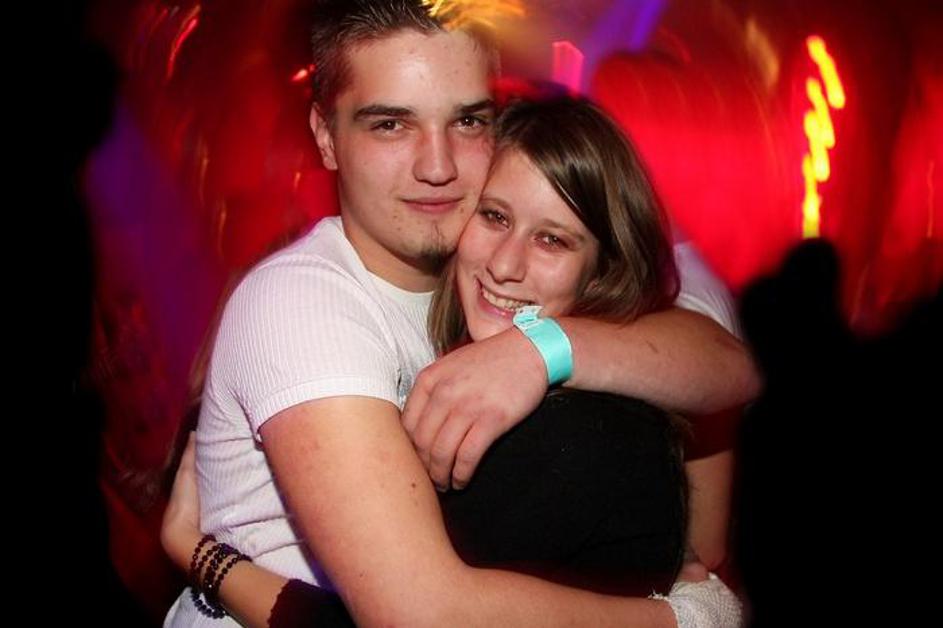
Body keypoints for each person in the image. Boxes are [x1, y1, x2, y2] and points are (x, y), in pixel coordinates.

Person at [164, 1, 756, 626]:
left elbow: (731, 365)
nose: (438, 166)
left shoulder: (474, 272)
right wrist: (687, 620)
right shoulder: (305, 303)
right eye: (390, 125)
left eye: (467, 121)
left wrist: (543, 349)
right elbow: (417, 614)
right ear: (325, 135)